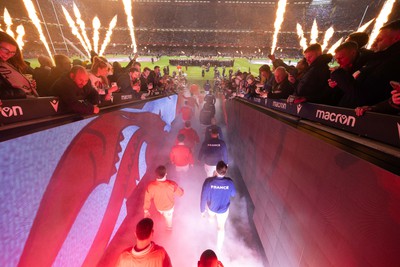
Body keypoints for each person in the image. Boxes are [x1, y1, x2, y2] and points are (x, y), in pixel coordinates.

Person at [200, 161, 236, 251]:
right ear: (226, 171)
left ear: (215, 170)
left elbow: (203, 196)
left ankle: (210, 230)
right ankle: (219, 248)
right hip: (223, 210)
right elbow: (233, 194)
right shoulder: (229, 182)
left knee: (211, 217)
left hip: (211, 208)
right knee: (221, 227)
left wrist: (202, 210)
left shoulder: (208, 181)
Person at [143, 165, 184, 230]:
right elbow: (181, 194)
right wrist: (182, 190)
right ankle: (169, 231)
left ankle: (162, 219)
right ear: (166, 174)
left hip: (159, 208)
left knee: (161, 215)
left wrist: (146, 210)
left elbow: (147, 199)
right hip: (169, 209)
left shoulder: (150, 186)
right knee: (169, 223)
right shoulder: (172, 184)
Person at [0, 31, 38, 99]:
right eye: (5, 51)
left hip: (24, 104)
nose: (8, 55)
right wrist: (20, 92)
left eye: (12, 53)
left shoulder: (10, 64)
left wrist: (27, 85)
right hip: (11, 106)